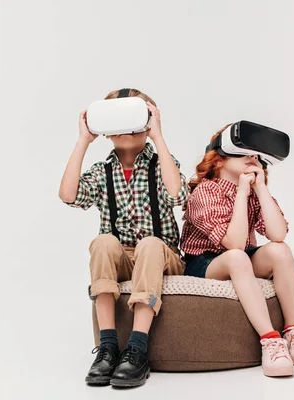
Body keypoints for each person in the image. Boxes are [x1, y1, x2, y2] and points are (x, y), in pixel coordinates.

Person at [58, 88, 188, 388]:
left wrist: (157, 136)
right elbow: (69, 195)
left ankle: (137, 347)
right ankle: (107, 347)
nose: (127, 130)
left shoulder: (161, 164)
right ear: (107, 132)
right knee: (103, 241)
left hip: (162, 256)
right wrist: (83, 141)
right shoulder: (103, 171)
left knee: (150, 244)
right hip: (123, 257)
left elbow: (177, 193)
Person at [180, 124, 294, 377]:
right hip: (204, 262)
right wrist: (242, 192)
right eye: (244, 154)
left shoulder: (255, 190)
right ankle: (270, 340)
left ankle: (293, 331)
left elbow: (277, 234)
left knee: (281, 251)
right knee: (236, 256)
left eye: (256, 156)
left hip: (241, 255)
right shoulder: (206, 191)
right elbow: (233, 243)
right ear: (219, 161)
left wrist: (261, 188)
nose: (253, 158)